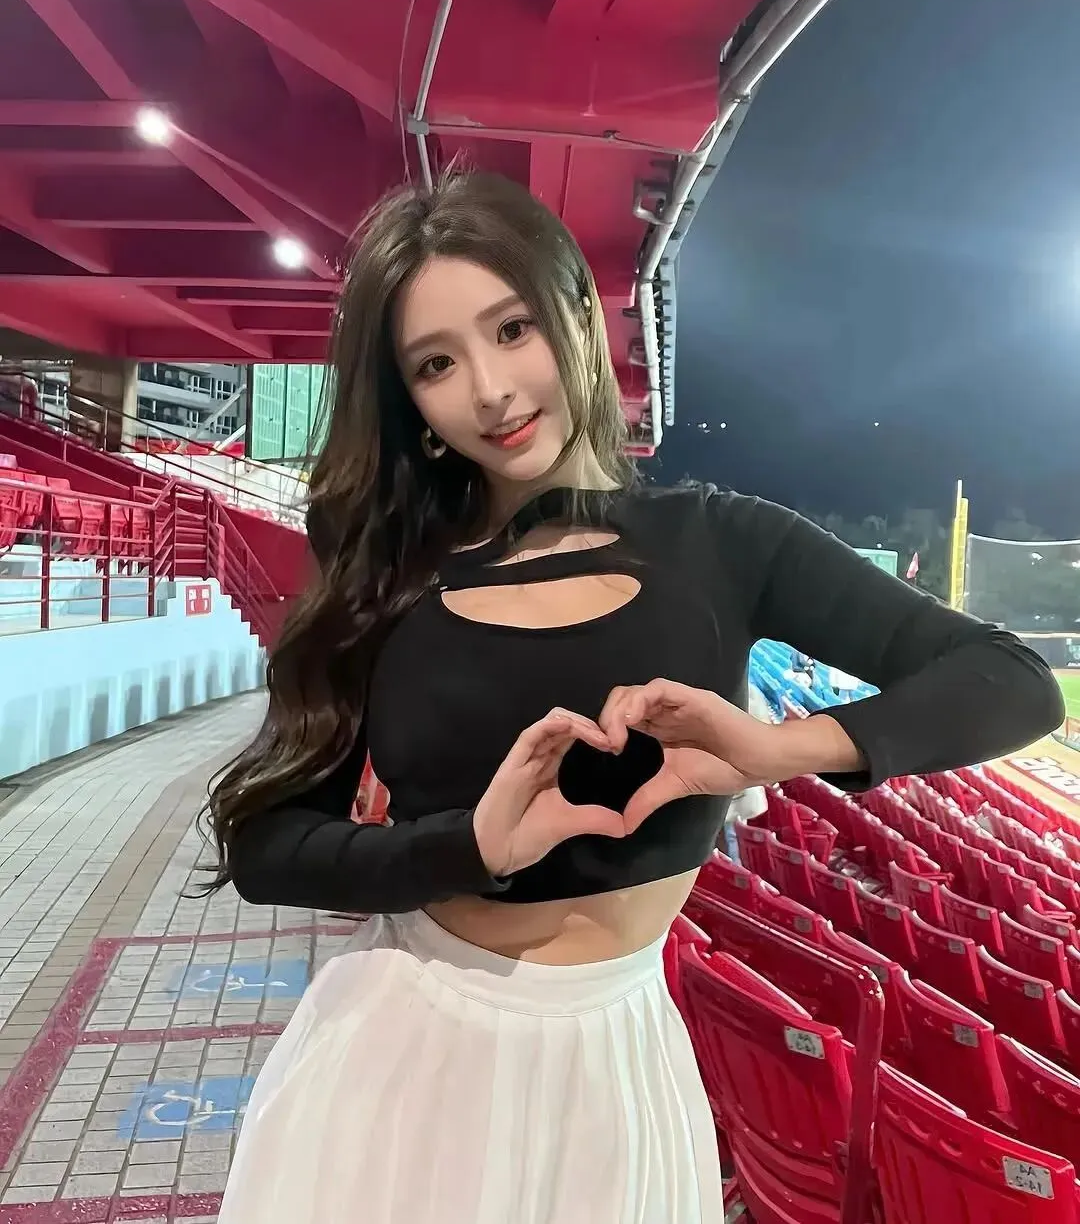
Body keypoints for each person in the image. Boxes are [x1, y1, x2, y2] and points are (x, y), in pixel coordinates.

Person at [203, 169, 1063, 1224]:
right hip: (408, 1052)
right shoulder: (386, 571)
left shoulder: (726, 540)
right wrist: (470, 847)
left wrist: (778, 750)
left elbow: (1011, 682)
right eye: (437, 363)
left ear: (576, 314)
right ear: (411, 402)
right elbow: (267, 846)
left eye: (511, 328)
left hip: (620, 1067)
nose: (490, 390)